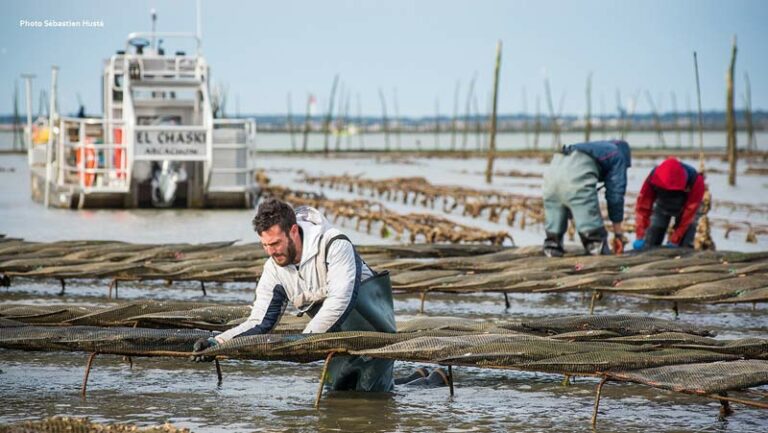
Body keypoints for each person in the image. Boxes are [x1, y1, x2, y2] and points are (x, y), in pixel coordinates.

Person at [192, 198, 396, 392]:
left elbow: (339, 301)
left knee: (373, 393)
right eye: (265, 245)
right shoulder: (274, 270)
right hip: (333, 343)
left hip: (373, 337)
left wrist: (302, 342)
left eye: (275, 243)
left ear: (294, 231)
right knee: (337, 397)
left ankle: (425, 378)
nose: (270, 251)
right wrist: (217, 342)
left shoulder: (334, 244)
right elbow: (260, 322)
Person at [542, 139, 631, 257]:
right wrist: (618, 234)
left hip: (552, 172)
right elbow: (615, 196)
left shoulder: (595, 148)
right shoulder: (618, 155)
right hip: (577, 175)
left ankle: (552, 258)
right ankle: (600, 265)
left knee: (553, 241)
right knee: (595, 243)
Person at [633, 157, 705, 250]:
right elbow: (643, 206)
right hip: (661, 207)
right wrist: (640, 235)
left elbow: (689, 214)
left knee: (685, 240)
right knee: (652, 236)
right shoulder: (653, 177)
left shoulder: (695, 181)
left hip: (686, 209)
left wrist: (675, 239)